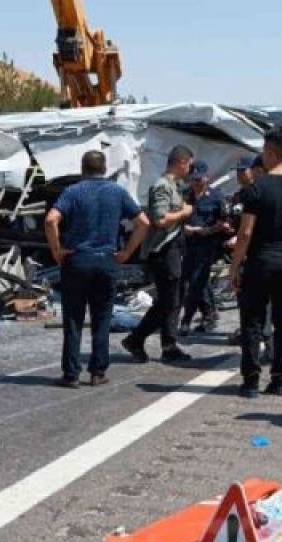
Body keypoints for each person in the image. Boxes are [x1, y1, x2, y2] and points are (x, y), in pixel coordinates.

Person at [45, 150, 150, 388]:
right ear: (104, 169)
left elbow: (51, 220)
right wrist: (126, 253)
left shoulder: (72, 192)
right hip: (106, 260)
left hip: (77, 260)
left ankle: (71, 373)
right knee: (102, 318)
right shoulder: (117, 192)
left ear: (82, 169)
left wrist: (56, 250)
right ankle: (97, 371)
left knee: (73, 319)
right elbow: (143, 222)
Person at [230, 128, 282, 399]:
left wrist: (234, 267)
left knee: (253, 323)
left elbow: (245, 233)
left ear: (270, 152)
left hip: (260, 262)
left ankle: (251, 381)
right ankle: (280, 380)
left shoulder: (256, 189)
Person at [121, 145, 195, 364]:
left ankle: (168, 345)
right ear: (181, 162)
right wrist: (183, 212)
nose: (190, 169)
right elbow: (159, 220)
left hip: (174, 249)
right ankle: (137, 338)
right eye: (189, 164)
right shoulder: (161, 186)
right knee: (167, 301)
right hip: (162, 250)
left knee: (173, 299)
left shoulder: (175, 186)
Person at [179, 161, 232, 335]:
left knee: (196, 281)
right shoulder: (185, 196)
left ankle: (187, 318)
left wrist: (209, 230)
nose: (196, 183)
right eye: (193, 179)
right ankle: (209, 313)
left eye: (199, 179)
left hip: (207, 244)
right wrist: (185, 228)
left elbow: (225, 222)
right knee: (193, 280)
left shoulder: (216, 197)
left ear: (206, 178)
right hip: (188, 244)